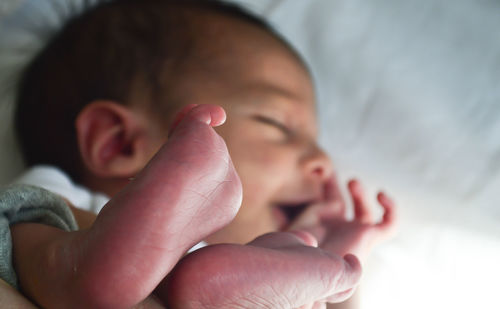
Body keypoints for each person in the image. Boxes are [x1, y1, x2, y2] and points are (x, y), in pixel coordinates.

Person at [1, 0, 397, 307]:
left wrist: (333, 259)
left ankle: (90, 271)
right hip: (60, 253)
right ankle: (78, 268)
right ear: (119, 144)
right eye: (276, 124)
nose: (323, 162)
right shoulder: (58, 195)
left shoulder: (244, 273)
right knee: (27, 228)